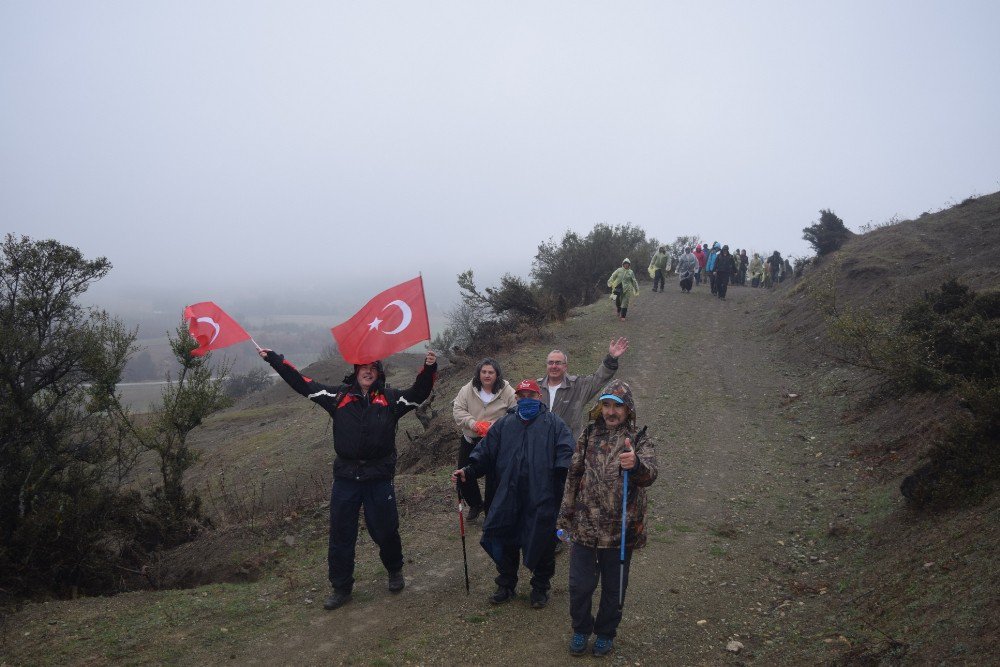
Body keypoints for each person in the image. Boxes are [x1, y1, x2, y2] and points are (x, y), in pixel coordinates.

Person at [259, 347, 437, 610]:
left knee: (386, 529)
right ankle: (341, 588)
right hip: (346, 478)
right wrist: (276, 360)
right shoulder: (336, 396)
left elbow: (418, 393)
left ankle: (394, 571)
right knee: (342, 534)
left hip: (378, 476)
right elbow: (302, 384)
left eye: (373, 368)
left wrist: (429, 368)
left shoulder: (391, 399)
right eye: (363, 367)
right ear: (356, 371)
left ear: (379, 373)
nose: (368, 371)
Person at [451, 379, 574, 609]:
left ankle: (540, 587)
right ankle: (506, 584)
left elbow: (567, 450)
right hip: (506, 495)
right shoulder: (504, 424)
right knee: (505, 538)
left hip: (541, 497)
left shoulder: (554, 424)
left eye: (531, 395)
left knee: (542, 542)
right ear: (516, 398)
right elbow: (484, 454)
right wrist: (468, 470)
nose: (526, 399)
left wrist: (561, 472)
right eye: (522, 395)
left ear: (539, 398)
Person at [557, 380, 658, 657]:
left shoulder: (639, 439)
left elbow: (650, 475)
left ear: (628, 409)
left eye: (618, 406)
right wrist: (566, 514)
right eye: (607, 405)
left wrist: (635, 464)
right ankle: (580, 629)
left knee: (614, 589)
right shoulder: (588, 434)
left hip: (620, 530)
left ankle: (605, 633)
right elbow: (573, 475)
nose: (611, 411)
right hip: (585, 527)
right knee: (579, 585)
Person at [452, 357, 517, 520]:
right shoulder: (468, 389)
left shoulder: (507, 390)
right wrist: (473, 423)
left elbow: (516, 410)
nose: (487, 375)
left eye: (491, 372)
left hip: (495, 442)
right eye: (484, 372)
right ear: (479, 373)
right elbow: (458, 410)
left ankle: (492, 510)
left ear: (497, 374)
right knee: (463, 475)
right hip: (471, 439)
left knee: (494, 478)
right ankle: (475, 504)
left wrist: (498, 424)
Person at [539, 337, 629, 442]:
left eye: (558, 363)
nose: (554, 366)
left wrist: (612, 358)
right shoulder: (536, 388)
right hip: (540, 446)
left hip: (568, 447)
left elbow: (598, 379)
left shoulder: (578, 386)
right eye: (550, 363)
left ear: (565, 366)